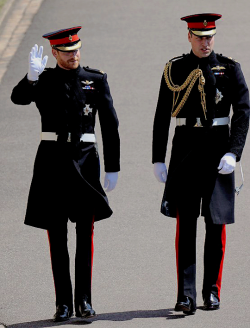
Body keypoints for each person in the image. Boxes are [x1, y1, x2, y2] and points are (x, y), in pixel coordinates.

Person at [11, 26, 120, 322]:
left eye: (76, 50)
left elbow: (110, 125)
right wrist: (31, 77)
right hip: (52, 162)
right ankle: (63, 303)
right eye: (66, 52)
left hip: (85, 162)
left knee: (85, 233)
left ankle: (84, 300)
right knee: (56, 235)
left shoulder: (95, 80)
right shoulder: (44, 79)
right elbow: (17, 98)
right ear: (55, 53)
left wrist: (113, 166)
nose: (73, 55)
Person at [152, 13, 250, 315]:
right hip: (185, 150)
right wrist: (157, 157)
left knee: (216, 224)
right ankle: (186, 295)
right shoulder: (176, 69)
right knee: (186, 226)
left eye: (209, 37)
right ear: (189, 37)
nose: (205, 42)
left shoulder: (229, 68)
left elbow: (243, 112)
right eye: (199, 37)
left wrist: (234, 152)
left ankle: (212, 291)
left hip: (218, 150)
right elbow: (160, 116)